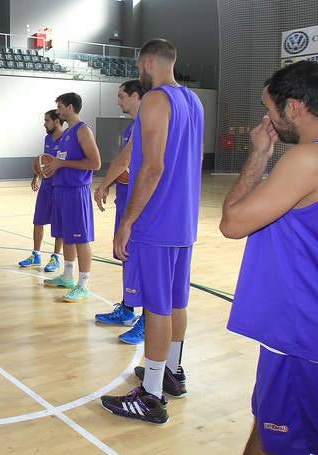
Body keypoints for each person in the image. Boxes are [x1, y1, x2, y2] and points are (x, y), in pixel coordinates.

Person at [101, 38, 203, 424]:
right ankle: (172, 373)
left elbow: (153, 167)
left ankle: (151, 396)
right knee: (177, 303)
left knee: (157, 308)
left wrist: (127, 221)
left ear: (147, 62)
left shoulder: (156, 100)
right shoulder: (193, 101)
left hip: (156, 222)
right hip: (183, 221)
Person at [220, 61, 318, 454]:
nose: (267, 118)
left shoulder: (306, 160)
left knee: (287, 441)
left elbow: (232, 222)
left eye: (269, 109)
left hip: (297, 333)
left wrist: (259, 154)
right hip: (302, 328)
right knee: (267, 426)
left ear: (293, 108)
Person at [93, 80, 146, 344]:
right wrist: (113, 182)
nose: (118, 101)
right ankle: (127, 308)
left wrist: (103, 184)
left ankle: (148, 320)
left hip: (141, 206)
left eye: (121, 96)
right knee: (127, 256)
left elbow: (125, 160)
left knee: (143, 260)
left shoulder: (147, 125)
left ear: (135, 96)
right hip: (124, 202)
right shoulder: (131, 127)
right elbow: (127, 167)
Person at [42, 93, 101, 302]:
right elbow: (61, 161)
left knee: (80, 238)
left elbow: (95, 163)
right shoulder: (66, 133)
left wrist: (62, 164)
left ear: (70, 107)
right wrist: (51, 167)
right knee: (67, 236)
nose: (57, 110)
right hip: (61, 189)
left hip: (77, 191)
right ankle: (68, 276)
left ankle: (83, 284)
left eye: (59, 106)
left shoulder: (83, 130)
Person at [17, 110, 65, 273]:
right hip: (46, 185)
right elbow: (42, 160)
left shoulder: (66, 139)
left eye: (47, 120)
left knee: (59, 224)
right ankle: (36, 254)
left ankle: (56, 257)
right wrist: (36, 176)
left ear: (57, 121)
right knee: (38, 220)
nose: (44, 123)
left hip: (59, 186)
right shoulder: (47, 138)